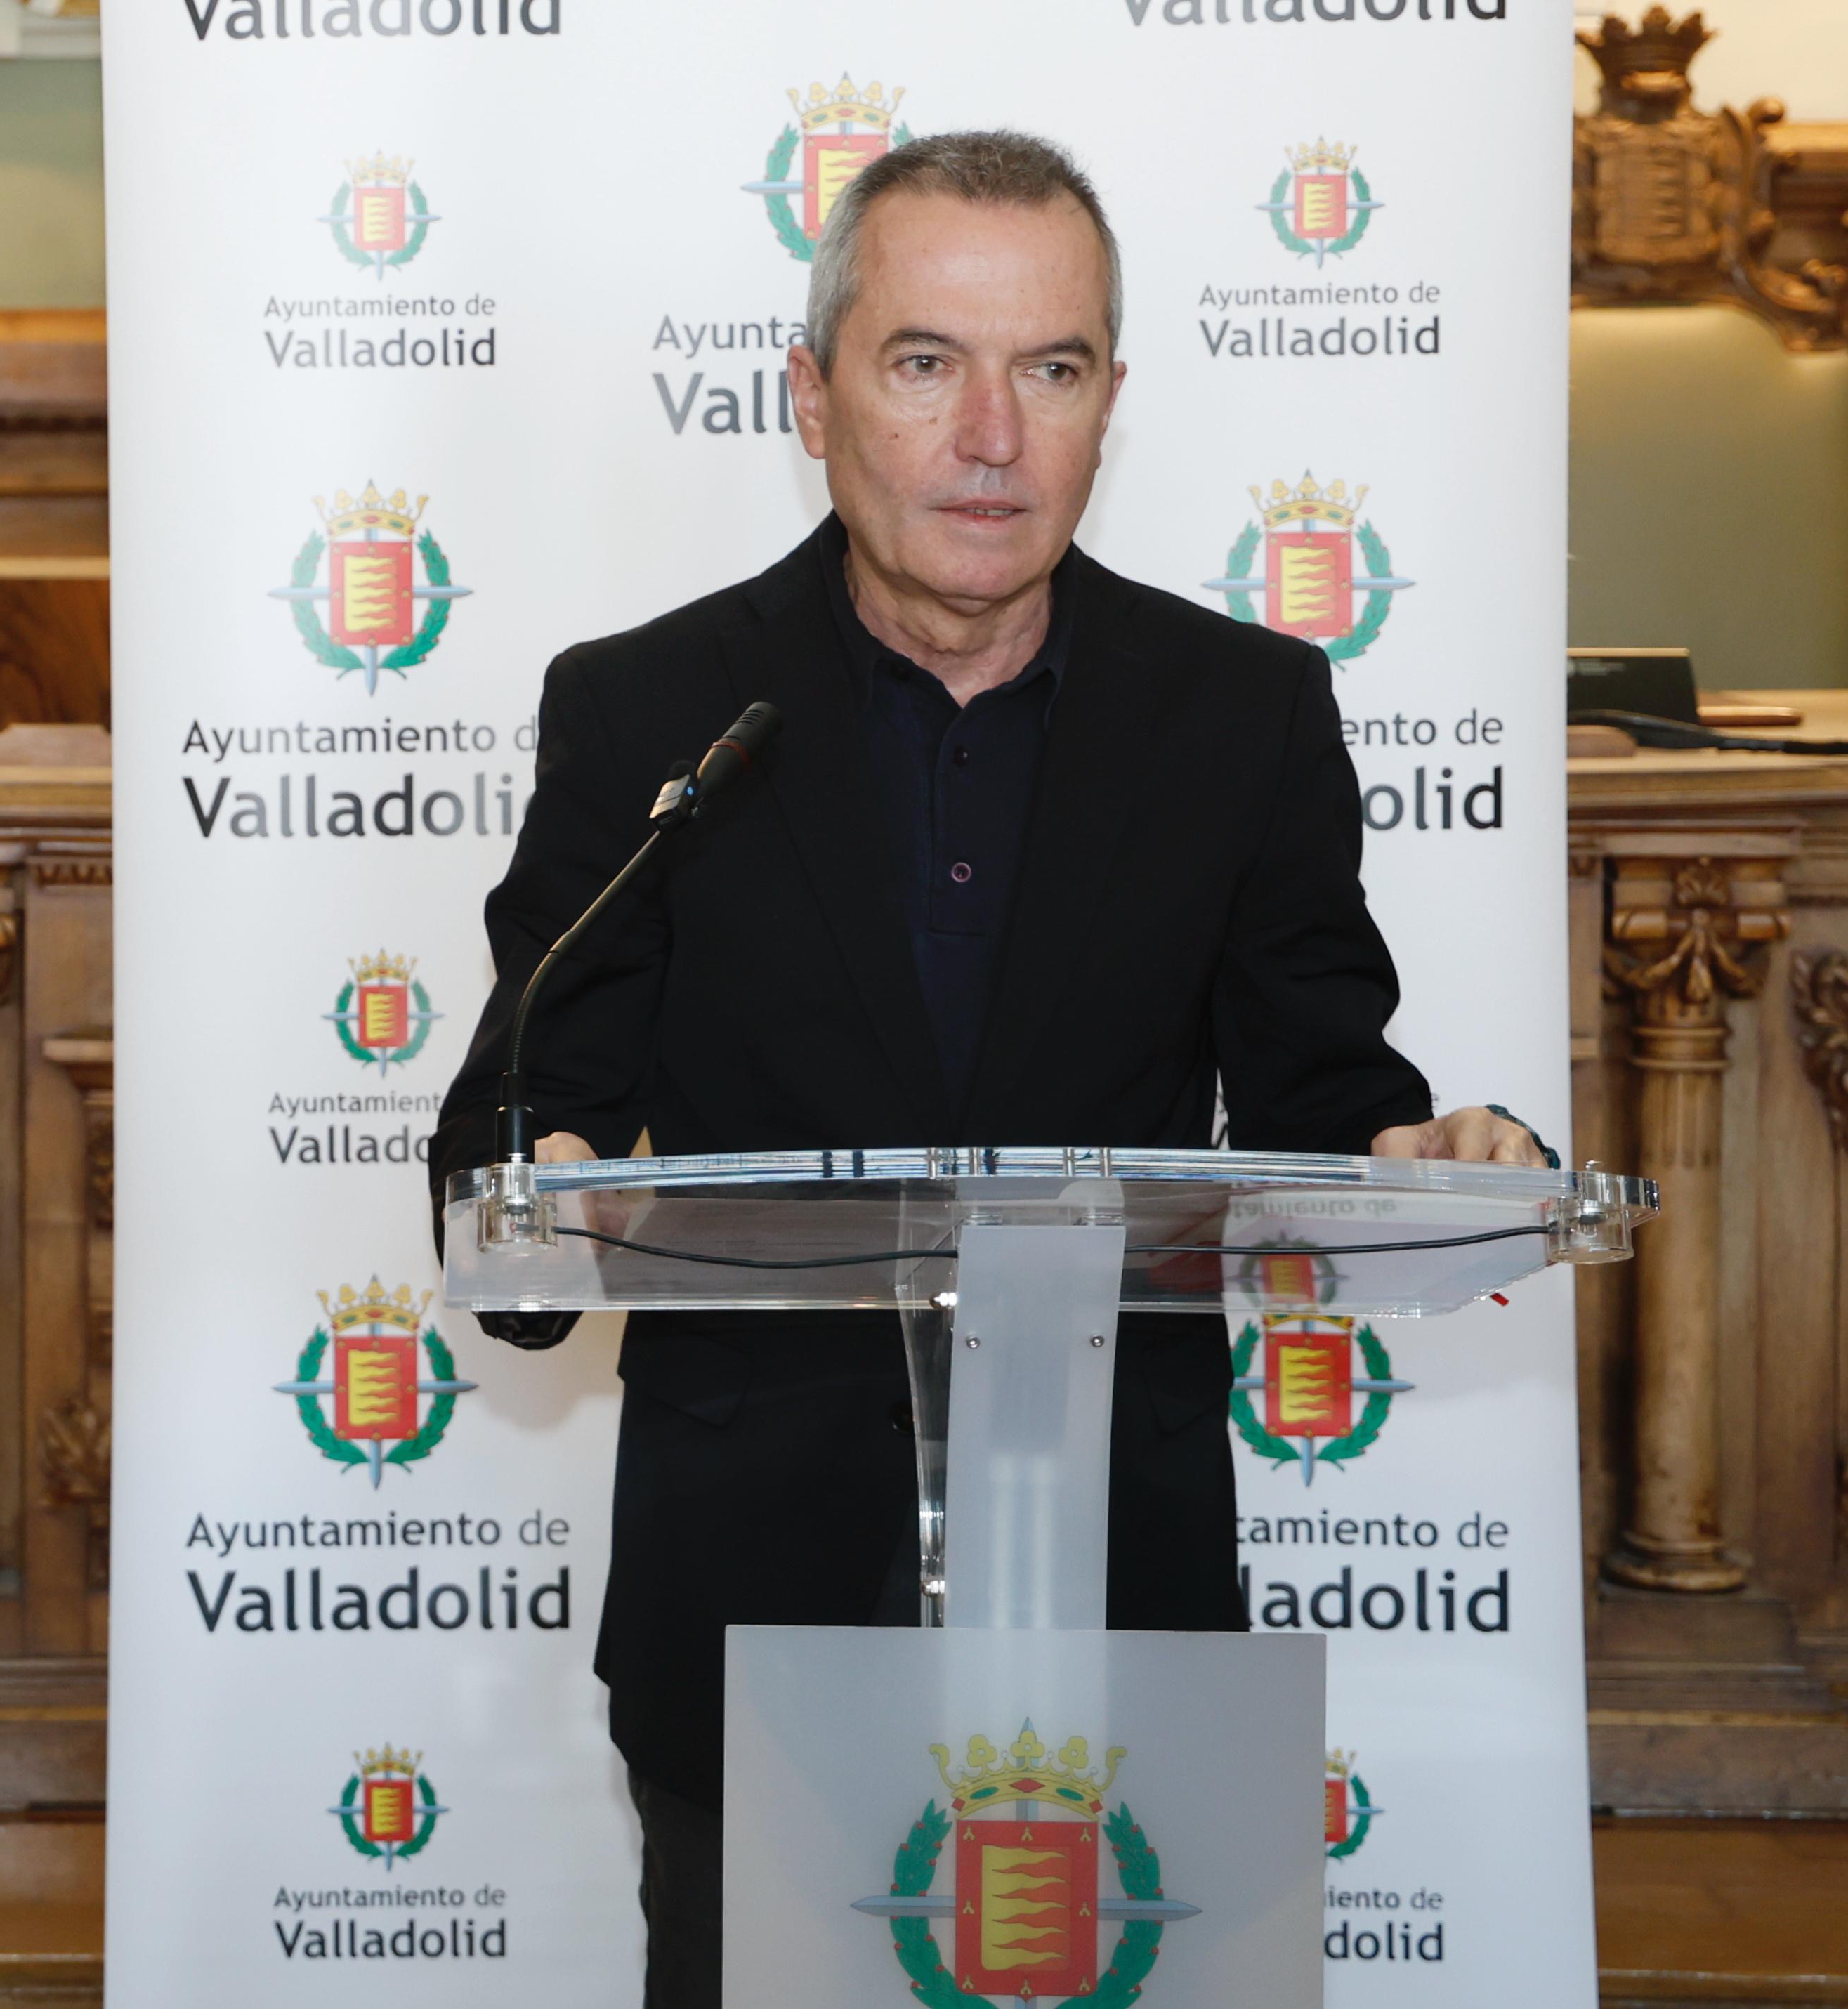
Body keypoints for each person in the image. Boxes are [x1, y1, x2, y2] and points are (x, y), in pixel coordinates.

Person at [425, 129, 1545, 2009]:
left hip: (1118, 1585)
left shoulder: (1241, 713)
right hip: (754, 1595)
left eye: (1053, 368)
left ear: (1111, 401)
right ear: (812, 397)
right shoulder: (649, 711)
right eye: (926, 362)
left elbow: (1317, 1095)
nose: (992, 436)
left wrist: (1421, 1160)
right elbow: (513, 1124)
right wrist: (552, 1185)